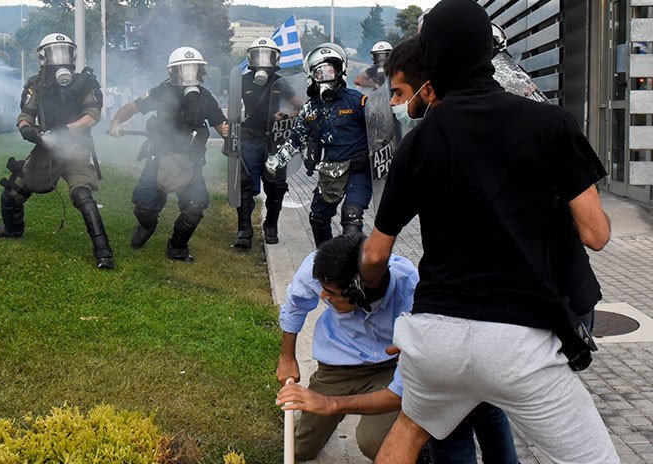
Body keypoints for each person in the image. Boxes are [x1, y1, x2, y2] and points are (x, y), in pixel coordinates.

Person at [358, 1, 618, 462]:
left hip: (436, 336)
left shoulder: (417, 143)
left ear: (431, 60)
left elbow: (376, 255)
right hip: (518, 343)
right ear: (490, 49)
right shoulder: (549, 123)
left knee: (408, 434)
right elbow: (596, 234)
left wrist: (370, 293)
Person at [275, 232, 519, 463]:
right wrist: (288, 357)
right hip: (337, 364)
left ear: (357, 296)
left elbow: (397, 393)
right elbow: (295, 305)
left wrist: (331, 404)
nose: (323, 297)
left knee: (375, 442)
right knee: (300, 448)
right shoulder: (323, 268)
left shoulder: (413, 299)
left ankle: (422, 454)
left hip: (389, 368)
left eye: (331, 295)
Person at [0, 33, 114, 270]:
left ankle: (103, 252)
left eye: (64, 52)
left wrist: (65, 129)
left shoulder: (85, 83)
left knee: (82, 195)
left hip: (76, 148)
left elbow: (92, 116)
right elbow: (25, 116)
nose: (60, 59)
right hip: (46, 150)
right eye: (54, 53)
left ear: (73, 55)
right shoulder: (35, 85)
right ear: (43, 57)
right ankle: (12, 230)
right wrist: (27, 130)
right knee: (15, 190)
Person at [108, 47, 229, 262]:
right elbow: (132, 107)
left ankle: (177, 247)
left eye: (193, 69)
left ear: (200, 72)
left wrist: (229, 133)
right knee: (144, 207)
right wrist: (116, 122)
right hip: (158, 156)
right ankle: (146, 227)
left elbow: (221, 124)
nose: (189, 75)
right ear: (173, 72)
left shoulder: (207, 99)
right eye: (184, 70)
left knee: (195, 207)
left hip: (191, 162)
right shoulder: (160, 92)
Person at [266, 43, 371, 248]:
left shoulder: (357, 100)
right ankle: (326, 260)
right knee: (318, 217)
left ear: (340, 72)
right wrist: (277, 160)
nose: (325, 77)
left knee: (352, 217)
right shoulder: (310, 109)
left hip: (359, 169)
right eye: (319, 72)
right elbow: (297, 140)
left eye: (330, 71)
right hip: (331, 170)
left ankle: (354, 269)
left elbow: (379, 128)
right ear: (311, 76)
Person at [234, 37, 290, 249]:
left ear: (275, 59)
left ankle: (271, 226)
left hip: (275, 139)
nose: (264, 61)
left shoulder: (281, 82)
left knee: (276, 186)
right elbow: (232, 107)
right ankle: (244, 229)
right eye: (260, 55)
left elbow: (297, 105)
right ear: (251, 57)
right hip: (249, 136)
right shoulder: (242, 80)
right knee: (245, 183)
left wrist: (286, 115)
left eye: (268, 56)